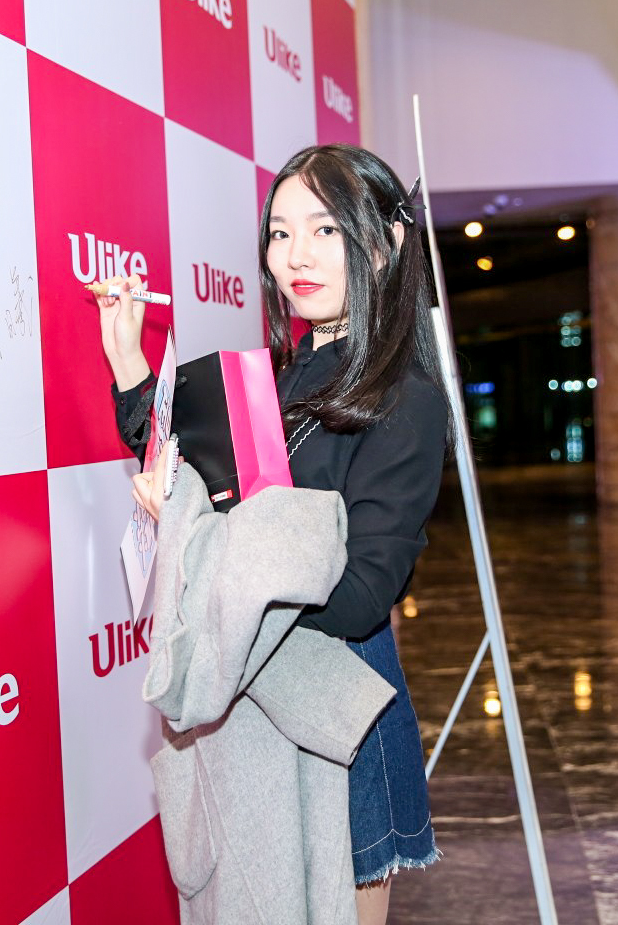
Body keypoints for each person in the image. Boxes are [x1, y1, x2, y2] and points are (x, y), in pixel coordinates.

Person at [97, 144, 449, 925]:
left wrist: (204, 542)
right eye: (280, 233)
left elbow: (359, 597)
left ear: (386, 244)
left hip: (339, 706)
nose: (297, 256)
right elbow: (196, 469)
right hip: (260, 692)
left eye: (326, 230)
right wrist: (127, 360)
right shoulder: (282, 377)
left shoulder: (406, 400)